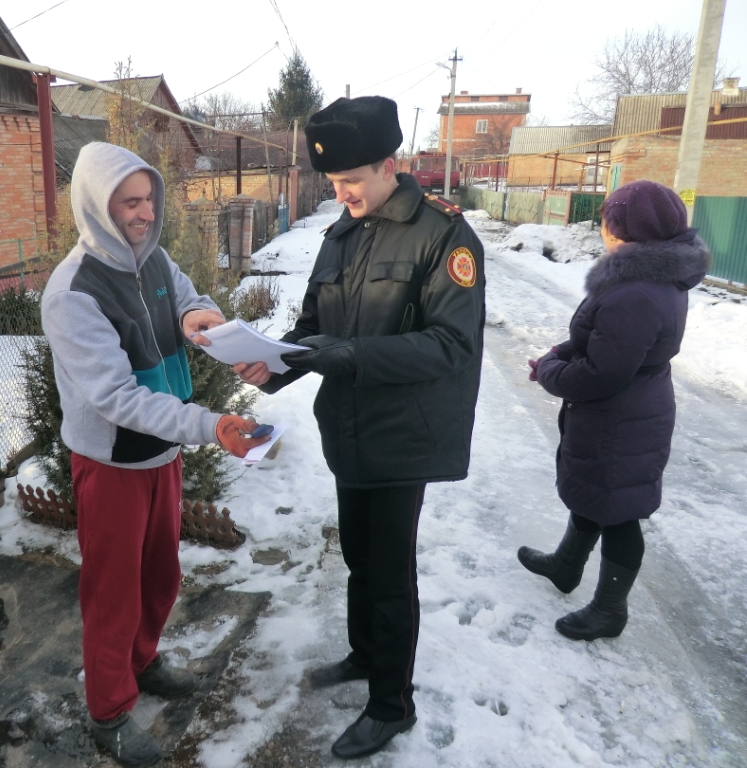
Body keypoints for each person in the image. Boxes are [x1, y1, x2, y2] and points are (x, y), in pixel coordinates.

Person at [234, 96, 486, 759]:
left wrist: (345, 356)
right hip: (347, 427)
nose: (339, 193)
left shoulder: (442, 234)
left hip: (404, 432)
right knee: (357, 557)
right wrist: (275, 366)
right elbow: (316, 325)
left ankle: (391, 704)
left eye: (350, 181)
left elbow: (450, 346)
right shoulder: (342, 232)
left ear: (388, 165)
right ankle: (363, 655)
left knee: (389, 571)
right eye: (332, 182)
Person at [41, 142, 267, 768]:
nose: (143, 214)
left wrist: (200, 315)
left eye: (148, 200)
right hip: (111, 462)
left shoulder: (156, 260)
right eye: (129, 203)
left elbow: (191, 295)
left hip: (161, 455)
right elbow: (117, 397)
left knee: (160, 573)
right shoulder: (72, 293)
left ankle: (143, 659)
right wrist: (211, 423)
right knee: (112, 591)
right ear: (97, 207)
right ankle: (109, 711)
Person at [519, 180, 710, 641]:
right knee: (598, 494)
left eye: (608, 219)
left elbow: (602, 372)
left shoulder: (636, 291)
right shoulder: (649, 276)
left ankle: (609, 610)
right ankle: (567, 565)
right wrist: (557, 355)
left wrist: (549, 372)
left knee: (619, 511)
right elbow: (603, 340)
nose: (603, 227)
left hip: (620, 420)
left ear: (623, 229)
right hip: (631, 409)